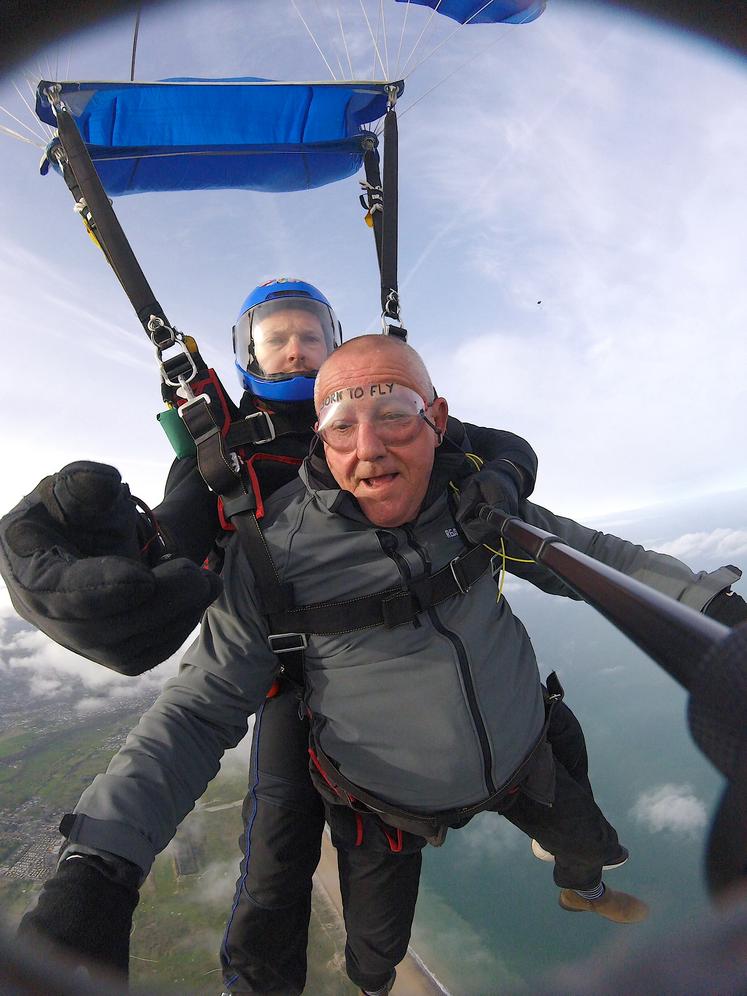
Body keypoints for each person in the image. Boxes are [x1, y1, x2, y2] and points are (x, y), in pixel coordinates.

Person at [13, 334, 745, 996]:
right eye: (340, 424)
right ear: (322, 443)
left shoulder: (473, 503)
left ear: (437, 418)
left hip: (525, 751)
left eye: (393, 412)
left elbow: (596, 560)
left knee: (588, 848)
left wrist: (715, 614)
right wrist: (100, 868)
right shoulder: (272, 557)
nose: (368, 447)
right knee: (375, 952)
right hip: (383, 803)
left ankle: (578, 889)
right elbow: (197, 709)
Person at [1, 285, 552, 994]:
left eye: (310, 335)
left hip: (384, 664)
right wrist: (121, 569)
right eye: (274, 339)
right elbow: (178, 541)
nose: (293, 348)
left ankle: (375, 967)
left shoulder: (382, 406)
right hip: (283, 674)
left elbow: (503, 447)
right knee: (274, 860)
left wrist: (501, 484)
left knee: (381, 849)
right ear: (245, 354)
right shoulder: (220, 454)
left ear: (337, 345)